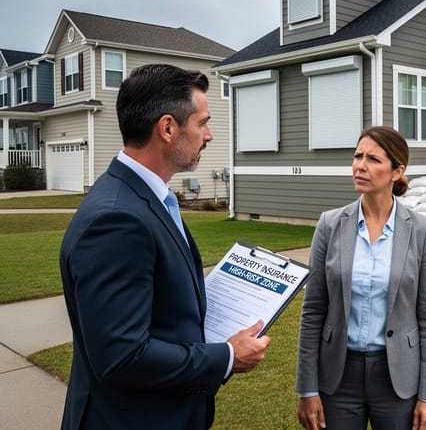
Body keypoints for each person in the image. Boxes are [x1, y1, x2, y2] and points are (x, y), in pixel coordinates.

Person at [59, 64, 270, 430]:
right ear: (168, 128)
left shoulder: (146, 198)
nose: (210, 136)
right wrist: (227, 357)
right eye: (202, 123)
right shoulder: (117, 220)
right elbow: (121, 356)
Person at [296, 126, 426, 430]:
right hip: (337, 377)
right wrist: (307, 389)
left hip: (398, 378)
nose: (360, 165)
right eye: (357, 156)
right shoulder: (329, 224)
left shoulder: (422, 230)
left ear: (396, 170)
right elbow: (312, 312)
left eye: (373, 159)